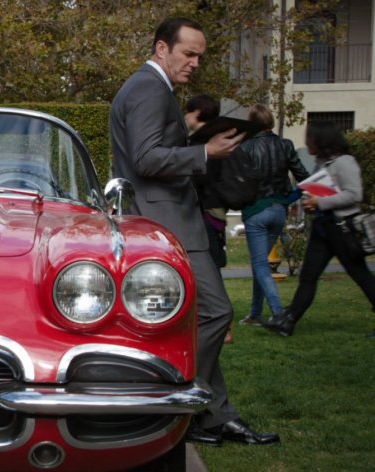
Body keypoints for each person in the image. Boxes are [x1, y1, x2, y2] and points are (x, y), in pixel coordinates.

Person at [110, 17, 280, 446]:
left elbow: (150, 152)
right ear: (161, 48)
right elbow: (147, 159)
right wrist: (206, 150)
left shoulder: (148, 87)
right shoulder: (150, 88)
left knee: (196, 319)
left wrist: (196, 141)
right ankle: (177, 404)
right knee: (216, 312)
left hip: (164, 217)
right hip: (167, 222)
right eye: (188, 53)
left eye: (199, 56)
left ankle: (213, 414)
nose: (195, 63)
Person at [263, 121, 375, 338]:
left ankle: (288, 320)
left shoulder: (345, 162)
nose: (307, 143)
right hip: (323, 229)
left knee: (360, 275)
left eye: (310, 139)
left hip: (343, 229)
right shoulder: (323, 163)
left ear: (321, 140)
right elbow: (316, 189)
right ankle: (288, 321)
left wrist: (320, 202)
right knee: (308, 276)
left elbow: (354, 195)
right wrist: (309, 200)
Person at [237, 105, 310, 327]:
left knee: (259, 265)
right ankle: (255, 313)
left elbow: (239, 181)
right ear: (270, 122)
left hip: (255, 211)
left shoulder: (245, 147)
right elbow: (303, 176)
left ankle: (279, 314)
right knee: (260, 265)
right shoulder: (285, 145)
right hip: (279, 210)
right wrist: (291, 196)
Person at [185, 94, 233, 344]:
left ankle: (221, 325)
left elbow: (202, 177)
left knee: (207, 268)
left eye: (188, 112)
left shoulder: (204, 143)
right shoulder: (220, 139)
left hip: (205, 211)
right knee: (211, 266)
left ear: (196, 113)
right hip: (215, 212)